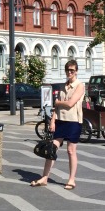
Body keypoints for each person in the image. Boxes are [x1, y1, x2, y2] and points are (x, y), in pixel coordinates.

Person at [31, 59, 84, 190]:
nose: (69, 72)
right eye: (67, 70)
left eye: (72, 70)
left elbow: (70, 103)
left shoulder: (80, 85)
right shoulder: (62, 86)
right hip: (60, 120)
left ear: (76, 71)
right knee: (51, 149)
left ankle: (71, 179)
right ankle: (44, 177)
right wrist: (53, 120)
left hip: (73, 121)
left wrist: (58, 102)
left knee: (71, 151)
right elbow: (57, 108)